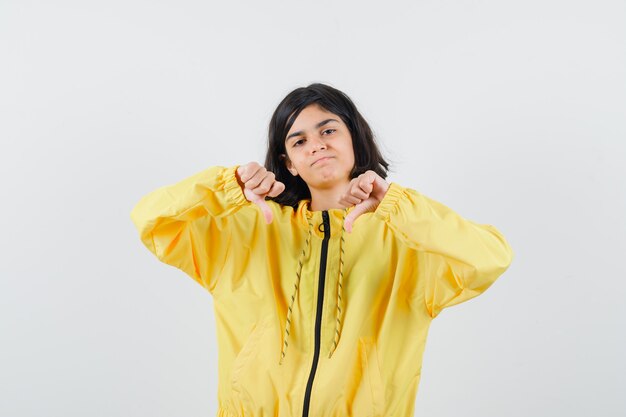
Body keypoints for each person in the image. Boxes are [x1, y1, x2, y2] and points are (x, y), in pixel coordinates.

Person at [130, 83, 514, 417]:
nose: (317, 145)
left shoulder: (405, 242)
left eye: (328, 130)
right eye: (299, 141)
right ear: (288, 163)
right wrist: (226, 186)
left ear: (354, 141)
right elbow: (150, 219)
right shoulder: (247, 233)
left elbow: (491, 257)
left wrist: (397, 205)